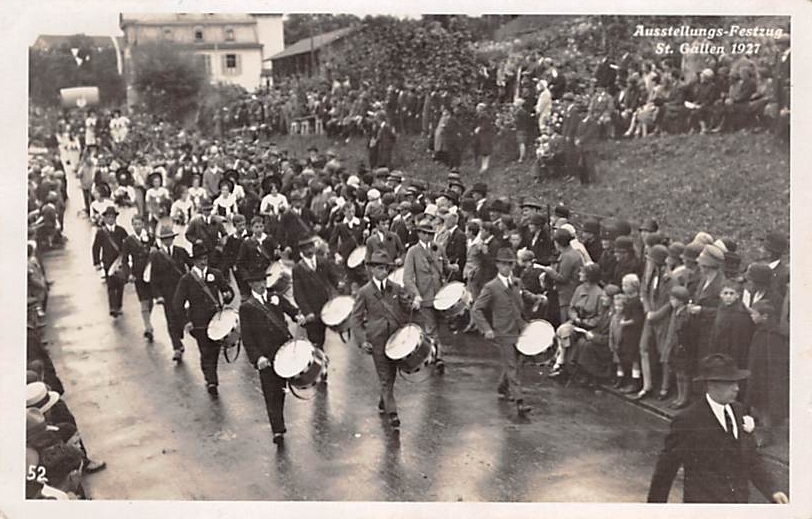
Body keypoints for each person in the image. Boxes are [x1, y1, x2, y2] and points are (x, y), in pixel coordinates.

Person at [647, 353, 788, 503]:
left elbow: (751, 458)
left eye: (736, 382)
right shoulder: (688, 420)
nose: (736, 388)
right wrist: (655, 509)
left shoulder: (739, 411)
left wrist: (772, 490)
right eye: (729, 383)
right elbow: (666, 469)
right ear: (710, 385)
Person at [471, 248, 544, 417]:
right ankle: (520, 401)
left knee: (518, 361)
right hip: (503, 331)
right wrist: (487, 329)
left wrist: (535, 298)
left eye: (510, 264)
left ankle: (503, 386)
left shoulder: (516, 282)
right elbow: (477, 309)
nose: (507, 267)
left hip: (521, 329)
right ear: (497, 265)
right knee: (512, 365)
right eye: (504, 264)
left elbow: (523, 294)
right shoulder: (491, 287)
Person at [239, 269, 306, 446]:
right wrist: (257, 358)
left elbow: (291, 309)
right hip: (266, 358)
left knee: (281, 390)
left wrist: (298, 316)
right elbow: (247, 337)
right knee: (271, 393)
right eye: (258, 282)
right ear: (251, 284)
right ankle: (277, 429)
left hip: (283, 352)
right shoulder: (246, 307)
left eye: (264, 280)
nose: (262, 284)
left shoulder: (274, 297)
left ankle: (279, 421)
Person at [351, 250, 413, 429]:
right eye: (379, 268)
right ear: (372, 269)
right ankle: (393, 414)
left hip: (395, 339)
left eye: (386, 268)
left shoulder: (396, 288)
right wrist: (362, 340)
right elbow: (355, 319)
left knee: (391, 375)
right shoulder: (365, 292)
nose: (383, 271)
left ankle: (383, 400)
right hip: (377, 340)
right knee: (385, 377)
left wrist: (414, 304)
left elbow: (406, 308)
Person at [172, 242, 235, 396]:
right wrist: (186, 322)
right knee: (205, 350)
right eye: (199, 259)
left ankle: (211, 375)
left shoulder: (215, 274)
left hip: (216, 320)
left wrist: (228, 295)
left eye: (205, 258)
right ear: (193, 261)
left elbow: (227, 290)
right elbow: (177, 304)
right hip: (198, 323)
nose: (203, 261)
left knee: (214, 350)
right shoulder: (186, 280)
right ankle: (211, 380)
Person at [403, 216, 459, 374]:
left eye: (431, 233)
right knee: (431, 327)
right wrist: (415, 294)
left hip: (440, 296)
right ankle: (437, 357)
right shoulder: (413, 252)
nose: (428, 236)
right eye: (425, 233)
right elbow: (407, 278)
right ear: (419, 234)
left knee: (441, 326)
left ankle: (433, 353)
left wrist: (452, 267)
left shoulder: (438, 248)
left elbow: (445, 266)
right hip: (424, 296)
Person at [744, 301, 789, 448]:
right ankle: (761, 433)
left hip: (766, 378)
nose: (752, 316)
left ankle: (766, 435)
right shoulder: (761, 331)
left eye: (754, 314)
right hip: (757, 374)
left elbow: (774, 361)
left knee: (766, 407)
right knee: (759, 406)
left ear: (765, 316)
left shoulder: (772, 335)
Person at [292, 234, 341, 356]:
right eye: (305, 248)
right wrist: (307, 311)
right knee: (315, 341)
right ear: (301, 251)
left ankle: (320, 357)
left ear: (314, 247)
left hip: (325, 308)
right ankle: (318, 361)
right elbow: (298, 293)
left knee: (322, 336)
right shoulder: (297, 269)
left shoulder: (323, 261)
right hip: (311, 312)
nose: (309, 251)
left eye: (310, 247)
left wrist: (339, 284)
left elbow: (333, 277)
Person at [149, 224, 191, 361]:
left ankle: (178, 337)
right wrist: (158, 295)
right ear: (161, 240)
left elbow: (192, 266)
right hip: (167, 293)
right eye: (165, 239)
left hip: (182, 291)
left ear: (173, 238)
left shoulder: (181, 251)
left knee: (182, 316)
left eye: (170, 238)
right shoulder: (157, 256)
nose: (168, 241)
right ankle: (176, 347)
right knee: (171, 319)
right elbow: (154, 277)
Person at [121, 215, 156, 342]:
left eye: (139, 224)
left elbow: (157, 253)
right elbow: (124, 260)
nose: (137, 226)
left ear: (143, 225)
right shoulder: (128, 241)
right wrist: (129, 274)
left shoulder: (150, 238)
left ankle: (147, 319)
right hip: (138, 274)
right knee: (144, 300)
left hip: (151, 273)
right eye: (135, 224)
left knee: (150, 300)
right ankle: (148, 327)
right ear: (132, 225)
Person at [539, 228, 584, 324]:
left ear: (557, 243)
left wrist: (550, 271)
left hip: (566, 295)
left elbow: (563, 278)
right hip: (568, 293)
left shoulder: (568, 256)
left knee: (565, 321)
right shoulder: (571, 253)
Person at [92, 206, 128, 317]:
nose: (110, 219)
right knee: (111, 285)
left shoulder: (121, 231)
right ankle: (113, 307)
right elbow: (96, 247)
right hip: (108, 262)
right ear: (105, 218)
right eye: (108, 217)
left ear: (115, 218)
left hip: (120, 262)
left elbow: (127, 244)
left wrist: (127, 258)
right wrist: (97, 263)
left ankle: (119, 305)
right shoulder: (101, 232)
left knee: (120, 284)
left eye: (112, 217)